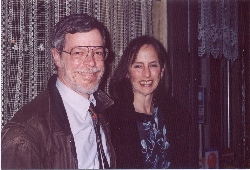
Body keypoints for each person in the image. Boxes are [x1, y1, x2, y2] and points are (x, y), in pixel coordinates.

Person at [1, 13, 115, 169]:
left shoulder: (101, 108)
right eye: (79, 52)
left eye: (98, 52)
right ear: (56, 56)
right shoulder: (24, 136)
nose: (91, 62)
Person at [107, 35, 191, 168]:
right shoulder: (112, 119)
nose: (146, 74)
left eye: (153, 65)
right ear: (127, 73)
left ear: (162, 71)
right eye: (138, 66)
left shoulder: (177, 115)